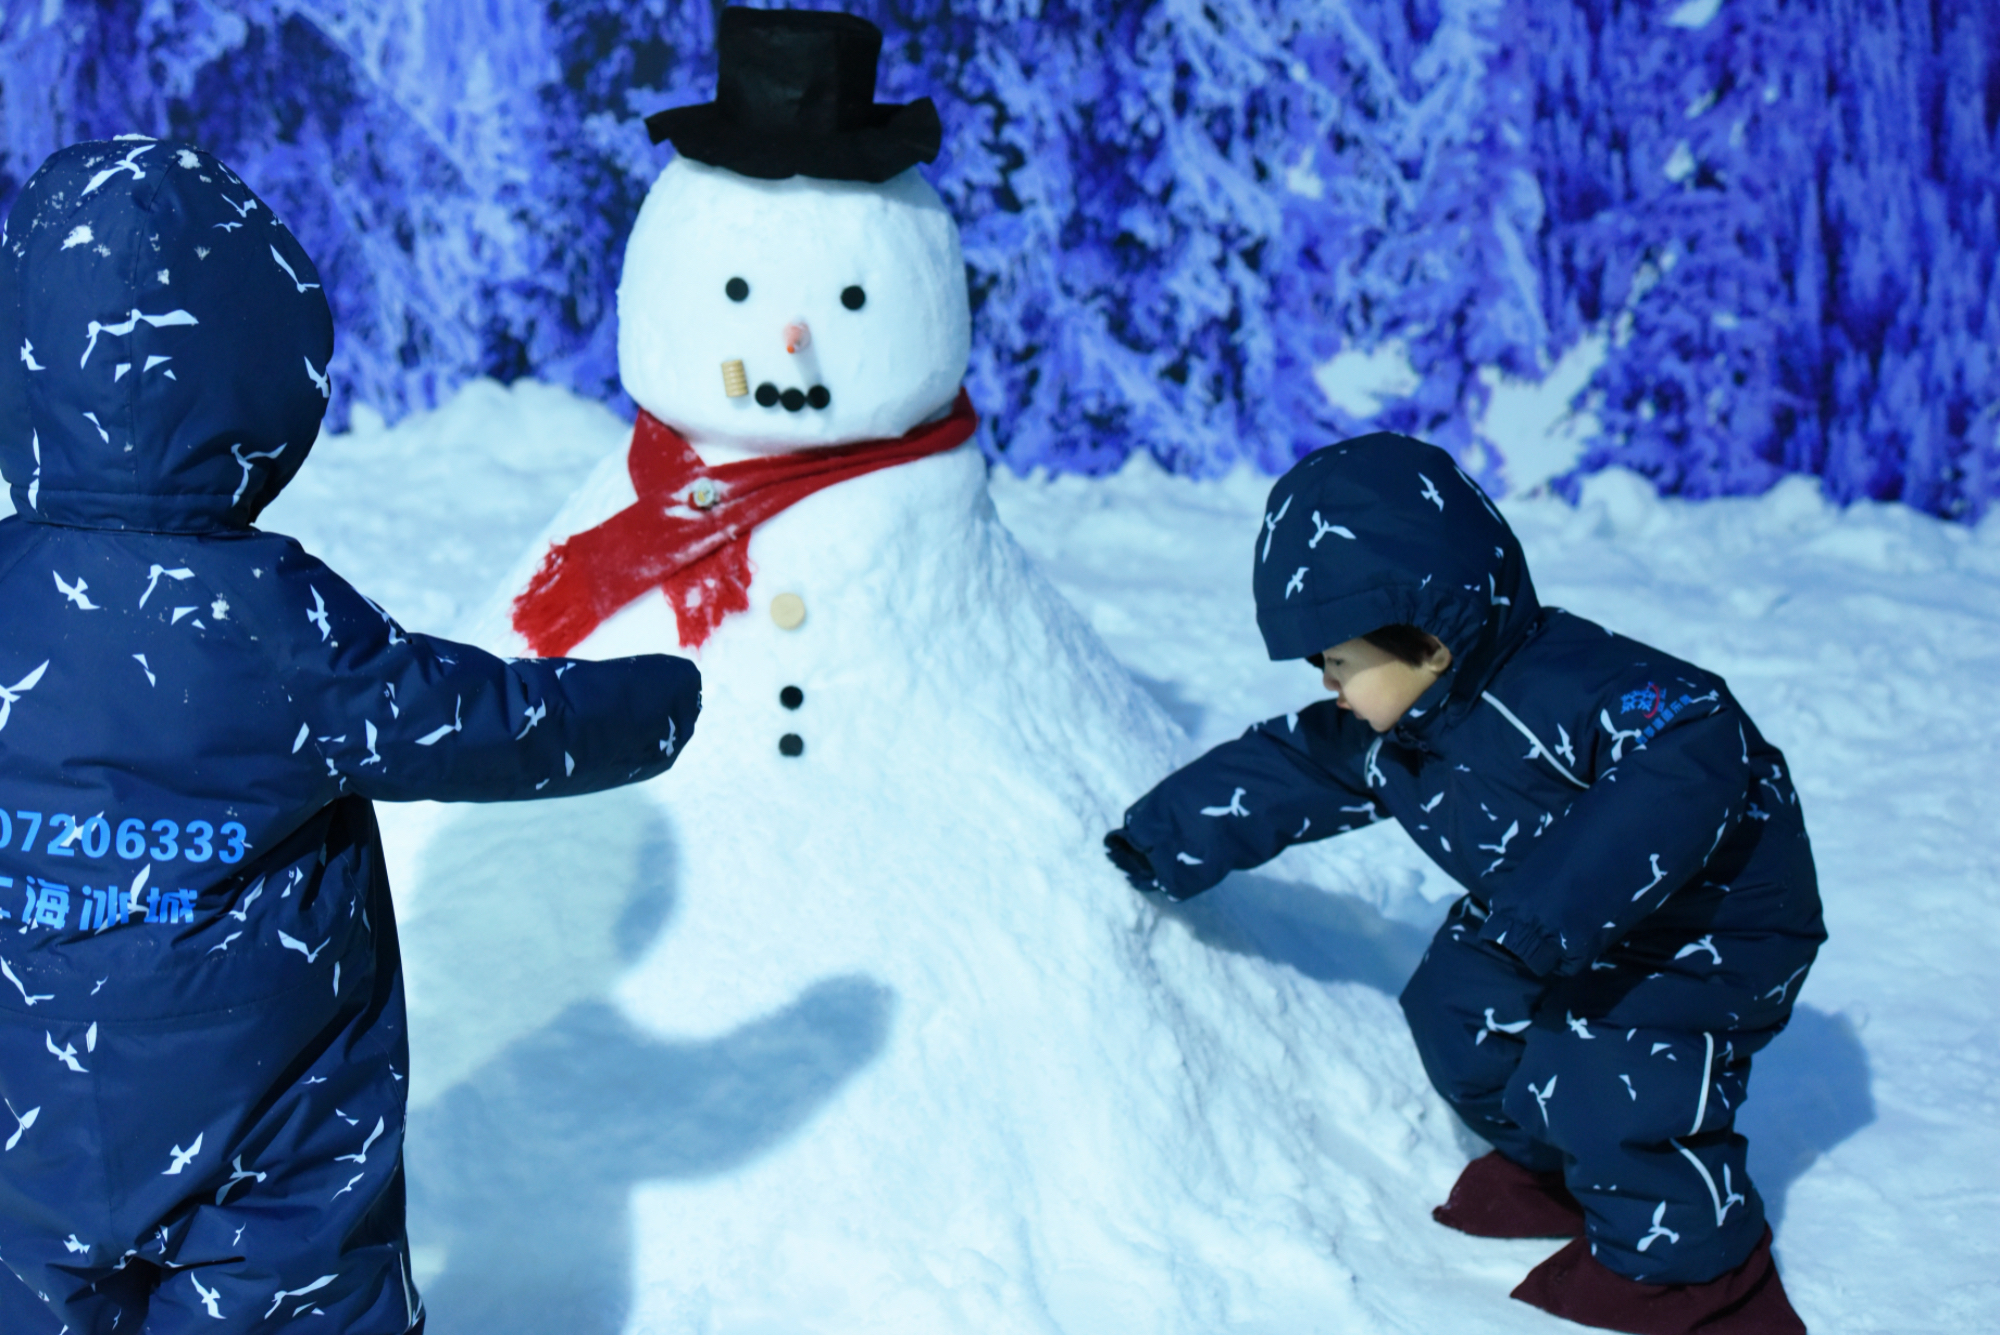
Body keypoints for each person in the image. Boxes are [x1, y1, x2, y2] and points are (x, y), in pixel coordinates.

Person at [0, 140, 700, 1333]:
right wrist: (660, 703)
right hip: (262, 1150)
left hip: (27, 1138)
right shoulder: (275, 620)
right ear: (261, 372)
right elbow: (476, 724)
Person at [1106, 434, 1822, 1334]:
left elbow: (1694, 747)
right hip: (1547, 916)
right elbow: (1289, 765)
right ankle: (1563, 1162)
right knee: (1452, 1007)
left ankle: (1691, 1273)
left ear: (1430, 642)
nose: (1324, 680)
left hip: (1711, 924)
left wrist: (1539, 915)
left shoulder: (1571, 688)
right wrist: (1159, 839)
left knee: (1614, 1074)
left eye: (1337, 658)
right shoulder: (1395, 723)